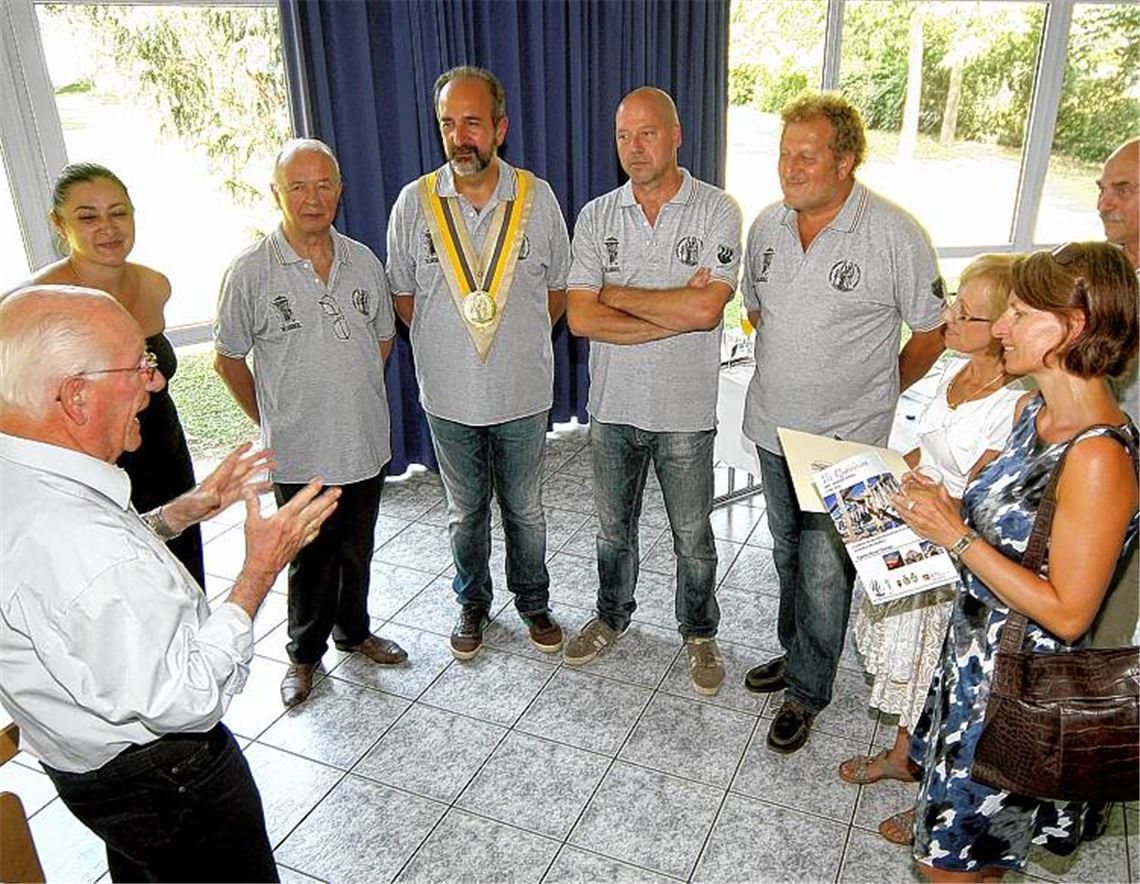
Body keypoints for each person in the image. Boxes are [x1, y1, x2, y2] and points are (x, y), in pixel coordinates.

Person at [0, 285, 340, 883]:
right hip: (165, 779)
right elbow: (185, 698)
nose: (155, 384)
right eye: (139, 366)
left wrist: (185, 511)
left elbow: (88, 590)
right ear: (76, 396)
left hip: (92, 772)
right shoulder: (78, 543)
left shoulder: (27, 473)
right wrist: (260, 571)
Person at [894, 242, 1139, 881]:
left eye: (1021, 312)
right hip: (972, 663)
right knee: (975, 860)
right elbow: (1016, 532)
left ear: (1073, 327)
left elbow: (1068, 613)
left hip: (1014, 694)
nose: (1000, 326)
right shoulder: (1034, 413)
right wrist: (945, 503)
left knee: (948, 867)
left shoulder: (1097, 459)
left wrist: (957, 537)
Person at [739, 92, 946, 752]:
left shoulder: (894, 234)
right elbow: (757, 311)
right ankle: (799, 652)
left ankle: (807, 690)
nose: (789, 168)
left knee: (827, 569)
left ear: (846, 161)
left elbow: (933, 331)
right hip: (773, 428)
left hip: (848, 443)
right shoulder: (767, 226)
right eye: (783, 154)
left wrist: (879, 390)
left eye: (807, 155)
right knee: (786, 555)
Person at [385, 66, 571, 660]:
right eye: (447, 124)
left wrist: (506, 339)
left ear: (500, 127)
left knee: (526, 509)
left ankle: (534, 601)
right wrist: (457, 341)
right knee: (463, 512)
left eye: (472, 122)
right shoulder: (413, 205)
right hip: (447, 395)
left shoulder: (538, 200)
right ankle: (472, 601)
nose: (459, 136)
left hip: (521, 391)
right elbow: (404, 297)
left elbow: (558, 292)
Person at [563, 86, 743, 696]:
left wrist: (614, 291)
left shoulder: (717, 210)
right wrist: (672, 308)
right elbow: (580, 319)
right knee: (614, 531)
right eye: (623, 136)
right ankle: (612, 616)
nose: (634, 148)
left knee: (692, 537)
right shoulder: (596, 215)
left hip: (685, 413)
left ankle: (699, 632)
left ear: (676, 136)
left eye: (646, 133)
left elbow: (707, 311)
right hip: (612, 409)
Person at [215, 138, 406, 708]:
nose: (312, 197)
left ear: (340, 191)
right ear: (277, 193)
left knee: (357, 549)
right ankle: (303, 656)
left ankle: (354, 632)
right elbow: (228, 359)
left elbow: (383, 338)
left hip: (363, 442)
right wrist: (274, 415)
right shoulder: (250, 271)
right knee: (308, 558)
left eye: (324, 184)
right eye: (297, 186)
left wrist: (347, 394)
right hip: (299, 451)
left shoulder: (363, 260)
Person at [838, 255, 1025, 796]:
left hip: (958, 555)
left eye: (966, 314)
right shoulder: (953, 368)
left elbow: (985, 503)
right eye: (954, 304)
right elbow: (929, 452)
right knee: (914, 664)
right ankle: (904, 756)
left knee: (942, 675)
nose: (948, 318)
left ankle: (935, 793)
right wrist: (870, 476)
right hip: (917, 530)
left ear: (1004, 328)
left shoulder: (1015, 404)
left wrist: (919, 499)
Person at [29, 163, 205, 586]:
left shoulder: (155, 284)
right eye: (88, 217)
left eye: (118, 213)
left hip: (165, 449)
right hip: (94, 462)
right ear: (59, 223)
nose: (107, 228)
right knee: (119, 584)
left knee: (182, 573)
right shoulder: (36, 303)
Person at [1092, 137, 1139, 649]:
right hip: (1074, 478)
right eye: (1102, 189)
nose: (1104, 203)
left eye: (1122, 190)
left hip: (1127, 493)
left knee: (1100, 644)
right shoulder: (1104, 273)